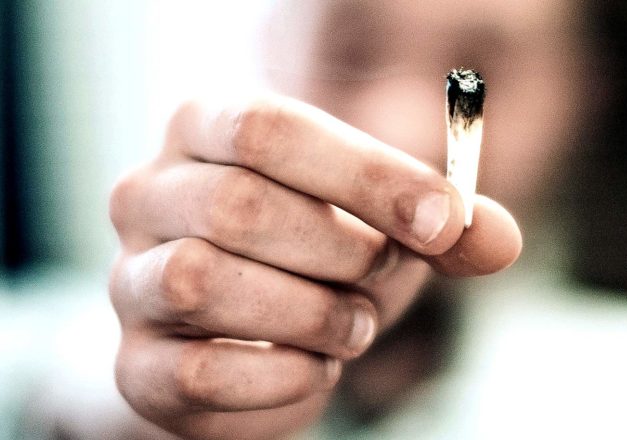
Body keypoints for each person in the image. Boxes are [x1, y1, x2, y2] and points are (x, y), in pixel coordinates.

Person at [107, 1, 592, 438]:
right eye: (349, 55)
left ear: (581, 91)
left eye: (480, 70)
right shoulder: (62, 344)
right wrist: (135, 416)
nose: (403, 130)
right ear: (275, 51)